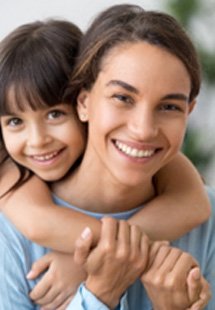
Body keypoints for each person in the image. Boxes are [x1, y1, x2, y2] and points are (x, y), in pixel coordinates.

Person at [0, 10, 211, 310]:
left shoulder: (205, 217)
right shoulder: (10, 227)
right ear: (83, 102)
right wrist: (98, 293)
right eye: (123, 98)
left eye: (169, 106)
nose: (143, 130)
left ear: (188, 112)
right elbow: (33, 222)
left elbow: (196, 200)